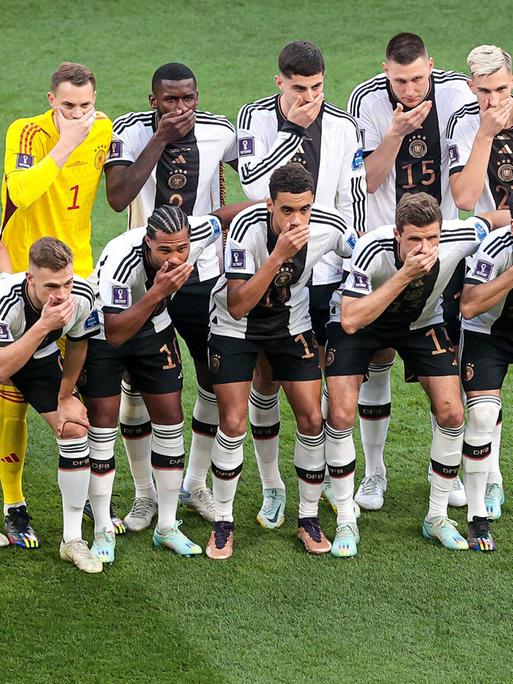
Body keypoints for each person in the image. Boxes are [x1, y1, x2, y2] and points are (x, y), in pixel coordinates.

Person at [324, 192, 508, 557]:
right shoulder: (370, 248)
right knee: (341, 413)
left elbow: (491, 220)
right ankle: (347, 517)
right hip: (362, 324)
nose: (425, 247)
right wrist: (405, 274)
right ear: (397, 234)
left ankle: (436, 517)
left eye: (432, 238)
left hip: (421, 323)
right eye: (415, 240)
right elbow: (350, 318)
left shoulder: (458, 236)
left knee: (453, 413)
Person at [236, 40, 366, 526]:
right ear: (279, 83)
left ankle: (334, 484)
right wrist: (290, 129)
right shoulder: (254, 118)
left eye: (316, 87)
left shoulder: (344, 126)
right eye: (297, 89)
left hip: (325, 273)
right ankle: (272, 486)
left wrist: (350, 264)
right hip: (273, 268)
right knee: (266, 378)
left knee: (331, 385)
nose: (308, 97)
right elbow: (253, 188)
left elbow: (349, 199)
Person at [104, 62, 238, 529]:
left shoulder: (220, 130)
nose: (180, 108)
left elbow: (258, 175)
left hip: (202, 275)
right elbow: (118, 197)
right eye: (170, 100)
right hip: (143, 276)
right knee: (139, 385)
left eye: (188, 99)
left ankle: (195, 483)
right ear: (152, 101)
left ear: (198, 97)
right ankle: (144, 496)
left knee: (213, 382)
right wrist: (160, 138)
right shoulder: (130, 130)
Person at [347, 32, 474, 511]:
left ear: (432, 67)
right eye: (400, 80)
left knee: (447, 356)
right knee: (377, 357)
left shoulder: (458, 93)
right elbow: (371, 178)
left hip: (442, 247)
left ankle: (448, 465)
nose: (410, 88)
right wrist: (396, 133)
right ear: (386, 73)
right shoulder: (366, 100)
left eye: (418, 78)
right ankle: (374, 473)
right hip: (385, 248)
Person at [206, 163, 358, 560]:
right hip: (234, 328)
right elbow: (238, 305)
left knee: (311, 418)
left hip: (292, 323)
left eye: (304, 210)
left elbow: (359, 251)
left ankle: (308, 518)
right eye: (287, 210)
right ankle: (224, 522)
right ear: (270, 204)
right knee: (232, 422)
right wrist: (277, 256)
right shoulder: (245, 229)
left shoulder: (328, 225)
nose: (297, 219)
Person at [80, 203, 236, 563]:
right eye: (164, 250)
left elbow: (223, 217)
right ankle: (104, 526)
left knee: (169, 419)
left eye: (181, 248)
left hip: (154, 329)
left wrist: (268, 206)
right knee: (102, 423)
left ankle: (166, 525)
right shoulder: (122, 259)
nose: (175, 256)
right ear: (148, 243)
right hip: (106, 331)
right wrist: (158, 291)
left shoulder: (193, 235)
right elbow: (117, 332)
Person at [0, 62, 112, 548]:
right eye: (68, 105)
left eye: (86, 106)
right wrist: (66, 141)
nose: (79, 114)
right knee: (14, 391)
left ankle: (82, 488)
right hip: (26, 274)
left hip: (78, 272)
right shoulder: (26, 133)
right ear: (52, 100)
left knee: (80, 382)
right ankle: (12, 500)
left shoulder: (105, 129)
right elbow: (21, 192)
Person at [0, 238, 102, 572]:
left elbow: (76, 347)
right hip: (5, 355)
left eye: (67, 282)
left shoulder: (82, 297)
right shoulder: (7, 302)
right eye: (51, 286)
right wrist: (44, 324)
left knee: (73, 428)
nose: (61, 294)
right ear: (30, 279)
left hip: (37, 358)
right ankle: (14, 506)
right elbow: (2, 369)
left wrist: (64, 397)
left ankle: (72, 540)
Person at [446, 45, 513, 515]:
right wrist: (486, 134)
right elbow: (467, 197)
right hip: (481, 256)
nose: (493, 100)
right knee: (476, 370)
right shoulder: (465, 123)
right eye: (484, 92)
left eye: (503, 89)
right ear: (472, 88)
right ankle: (487, 474)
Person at [459, 206, 513, 550]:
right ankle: (477, 518)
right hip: (488, 333)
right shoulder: (496, 246)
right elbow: (469, 305)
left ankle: (494, 478)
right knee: (481, 414)